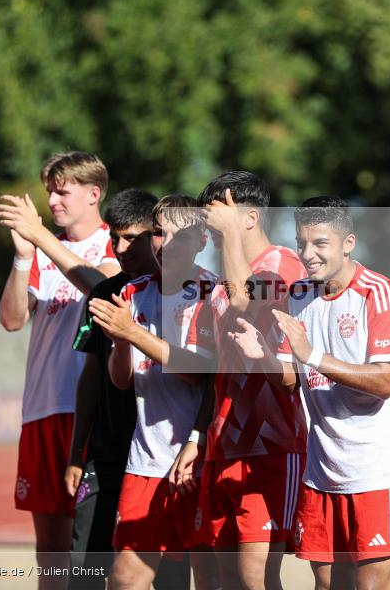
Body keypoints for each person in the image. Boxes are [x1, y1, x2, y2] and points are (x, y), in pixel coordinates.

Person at [229, 196, 390, 590]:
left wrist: (314, 355)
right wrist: (262, 357)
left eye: (320, 244)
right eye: (301, 243)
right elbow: (290, 379)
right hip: (321, 473)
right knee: (327, 585)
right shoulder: (300, 297)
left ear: (348, 243)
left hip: (374, 474)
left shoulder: (379, 292)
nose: (308, 254)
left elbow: (386, 382)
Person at [0, 152, 120, 590]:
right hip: (41, 409)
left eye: (62, 191)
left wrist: (42, 240)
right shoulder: (41, 249)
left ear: (93, 194)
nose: (52, 200)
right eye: (49, 190)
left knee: (88, 548)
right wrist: (22, 256)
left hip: (86, 409)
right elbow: (12, 319)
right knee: (49, 551)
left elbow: (101, 287)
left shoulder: (111, 244)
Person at [180, 171, 307, 590]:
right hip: (223, 442)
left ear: (249, 217)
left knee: (257, 576)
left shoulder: (283, 263)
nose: (211, 225)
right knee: (224, 577)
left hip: (271, 442)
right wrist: (198, 437)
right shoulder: (216, 287)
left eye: (219, 215)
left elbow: (245, 300)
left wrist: (231, 236)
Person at [87, 195, 217, 590]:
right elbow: (121, 380)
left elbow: (198, 373)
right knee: (124, 579)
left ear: (201, 241)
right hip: (145, 459)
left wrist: (132, 333)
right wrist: (123, 341)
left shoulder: (212, 292)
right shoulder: (133, 292)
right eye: (160, 233)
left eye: (180, 236)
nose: (166, 243)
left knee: (210, 578)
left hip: (197, 463)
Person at [64, 189, 180, 590]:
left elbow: (203, 375)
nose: (121, 247)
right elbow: (93, 375)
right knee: (85, 569)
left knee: (170, 575)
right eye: (115, 237)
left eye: (134, 237)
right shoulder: (105, 293)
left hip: (166, 455)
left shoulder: (191, 293)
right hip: (110, 451)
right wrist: (78, 452)